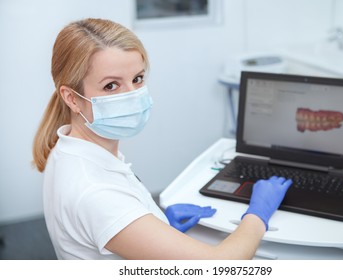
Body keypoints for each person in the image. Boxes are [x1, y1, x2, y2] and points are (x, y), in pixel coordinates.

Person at [32, 18, 292, 260]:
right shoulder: (95, 192)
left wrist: (154, 222)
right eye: (111, 85)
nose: (132, 95)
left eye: (137, 79)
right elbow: (221, 266)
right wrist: (258, 213)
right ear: (72, 98)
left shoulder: (68, 147)